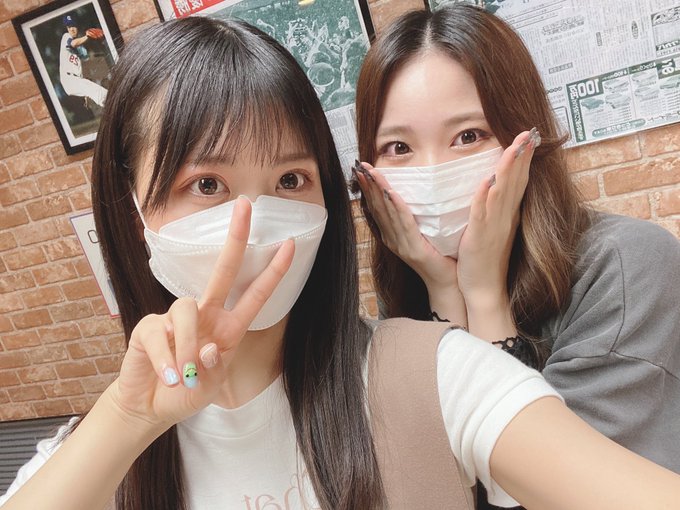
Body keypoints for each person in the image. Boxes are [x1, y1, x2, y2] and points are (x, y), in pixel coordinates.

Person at [2, 15, 680, 510]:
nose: (252, 221)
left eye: (290, 179)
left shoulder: (434, 368)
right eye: (206, 184)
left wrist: (473, 295)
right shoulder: (102, 447)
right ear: (131, 211)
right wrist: (127, 422)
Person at [352, 4, 680, 505]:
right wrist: (444, 290)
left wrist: (483, 295)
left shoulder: (625, 266)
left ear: (524, 140)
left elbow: (542, 495)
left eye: (468, 136)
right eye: (398, 148)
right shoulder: (410, 282)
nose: (433, 172)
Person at [59, 14, 107, 108]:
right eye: (69, 27)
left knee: (99, 93)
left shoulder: (82, 49)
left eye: (73, 26)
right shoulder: (66, 36)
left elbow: (85, 65)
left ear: (77, 27)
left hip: (77, 80)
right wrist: (87, 36)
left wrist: (86, 92)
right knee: (103, 95)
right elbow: (73, 43)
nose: (72, 29)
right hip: (68, 78)